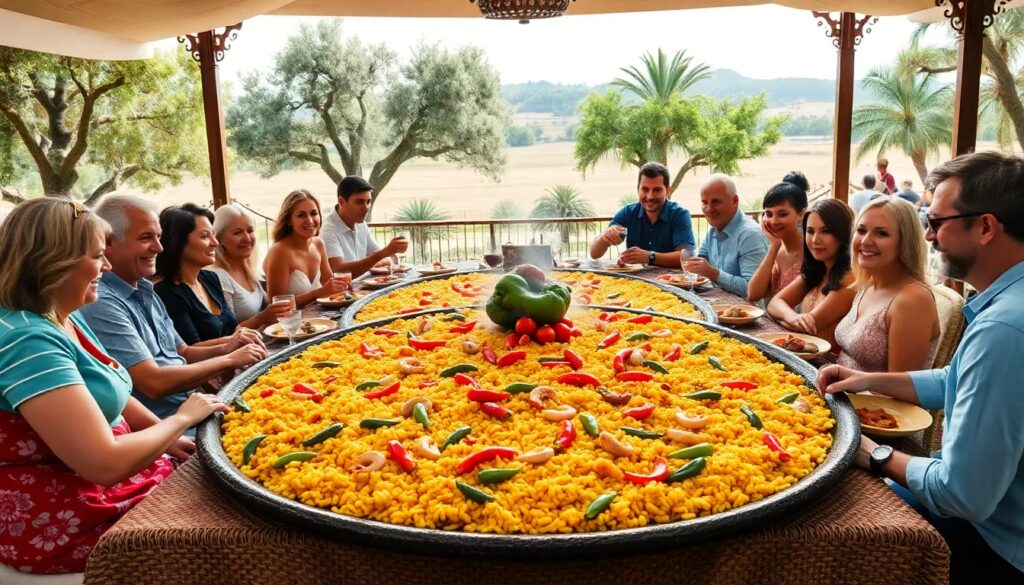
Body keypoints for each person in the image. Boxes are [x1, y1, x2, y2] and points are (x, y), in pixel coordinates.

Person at [817, 151, 1024, 583]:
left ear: (985, 227)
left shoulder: (1003, 329)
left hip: (996, 546)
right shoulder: (1008, 305)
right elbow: (955, 379)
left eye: (937, 222)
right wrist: (867, 379)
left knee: (828, 523)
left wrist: (870, 453)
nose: (928, 235)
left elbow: (962, 495)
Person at [0, 197, 227, 574]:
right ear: (54, 263)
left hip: (117, 483)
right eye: (96, 256)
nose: (106, 266)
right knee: (228, 530)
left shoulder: (59, 312)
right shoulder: (28, 341)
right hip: (70, 513)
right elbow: (102, 463)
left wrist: (166, 436)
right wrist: (181, 420)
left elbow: (114, 391)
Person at [78, 195, 266, 426]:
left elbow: (182, 351)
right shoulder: (102, 301)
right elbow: (153, 383)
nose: (158, 247)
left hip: (195, 406)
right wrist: (228, 359)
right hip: (168, 424)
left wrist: (227, 346)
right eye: (146, 238)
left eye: (158, 237)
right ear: (108, 242)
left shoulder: (144, 288)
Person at [833, 197, 939, 372]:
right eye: (861, 230)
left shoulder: (913, 300)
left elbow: (898, 385)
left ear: (905, 242)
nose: (865, 241)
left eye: (881, 233)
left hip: (862, 392)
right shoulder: (868, 284)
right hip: (835, 387)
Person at [767, 198, 857, 348]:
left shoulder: (849, 279)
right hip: (803, 354)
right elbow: (774, 303)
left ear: (843, 234)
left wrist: (782, 318)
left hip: (826, 360)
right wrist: (791, 316)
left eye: (825, 231)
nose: (815, 240)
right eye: (810, 231)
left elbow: (807, 327)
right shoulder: (818, 271)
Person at [154, 204, 241, 344]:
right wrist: (235, 340)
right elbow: (189, 348)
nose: (215, 243)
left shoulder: (210, 278)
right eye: (205, 236)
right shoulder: (166, 292)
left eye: (213, 235)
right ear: (178, 243)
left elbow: (232, 329)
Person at [589, 161, 695, 267]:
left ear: (667, 191)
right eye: (645, 189)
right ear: (638, 189)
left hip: (671, 277)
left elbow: (687, 257)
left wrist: (650, 257)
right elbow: (594, 254)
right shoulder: (627, 212)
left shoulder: (680, 214)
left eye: (657, 190)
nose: (650, 196)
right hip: (635, 277)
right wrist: (605, 236)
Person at [682, 173, 768, 297]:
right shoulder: (714, 228)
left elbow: (752, 290)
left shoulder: (750, 235)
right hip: (719, 302)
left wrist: (714, 274)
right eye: (705, 202)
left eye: (716, 202)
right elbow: (700, 262)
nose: (709, 209)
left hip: (746, 308)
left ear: (735, 201)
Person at [210, 204, 291, 329]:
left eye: (250, 231)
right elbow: (227, 332)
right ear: (218, 238)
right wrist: (262, 318)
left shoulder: (248, 268)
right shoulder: (220, 277)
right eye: (237, 233)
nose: (247, 238)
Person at [264, 189, 347, 308]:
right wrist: (318, 293)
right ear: (288, 220)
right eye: (301, 215)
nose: (310, 220)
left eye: (314, 213)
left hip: (321, 316)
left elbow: (330, 286)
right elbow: (276, 305)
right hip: (291, 319)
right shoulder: (280, 251)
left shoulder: (318, 244)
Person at [320, 175, 409, 278]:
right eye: (359, 202)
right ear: (341, 202)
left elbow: (385, 259)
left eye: (368, 202)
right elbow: (339, 271)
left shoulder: (360, 223)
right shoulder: (327, 229)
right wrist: (384, 253)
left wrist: (379, 259)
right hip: (344, 288)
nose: (366, 207)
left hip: (361, 285)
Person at [747, 172, 809, 302]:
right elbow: (753, 294)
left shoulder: (813, 251)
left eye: (782, 214)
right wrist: (774, 246)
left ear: (801, 214)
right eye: (769, 214)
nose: (774, 221)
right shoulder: (778, 247)